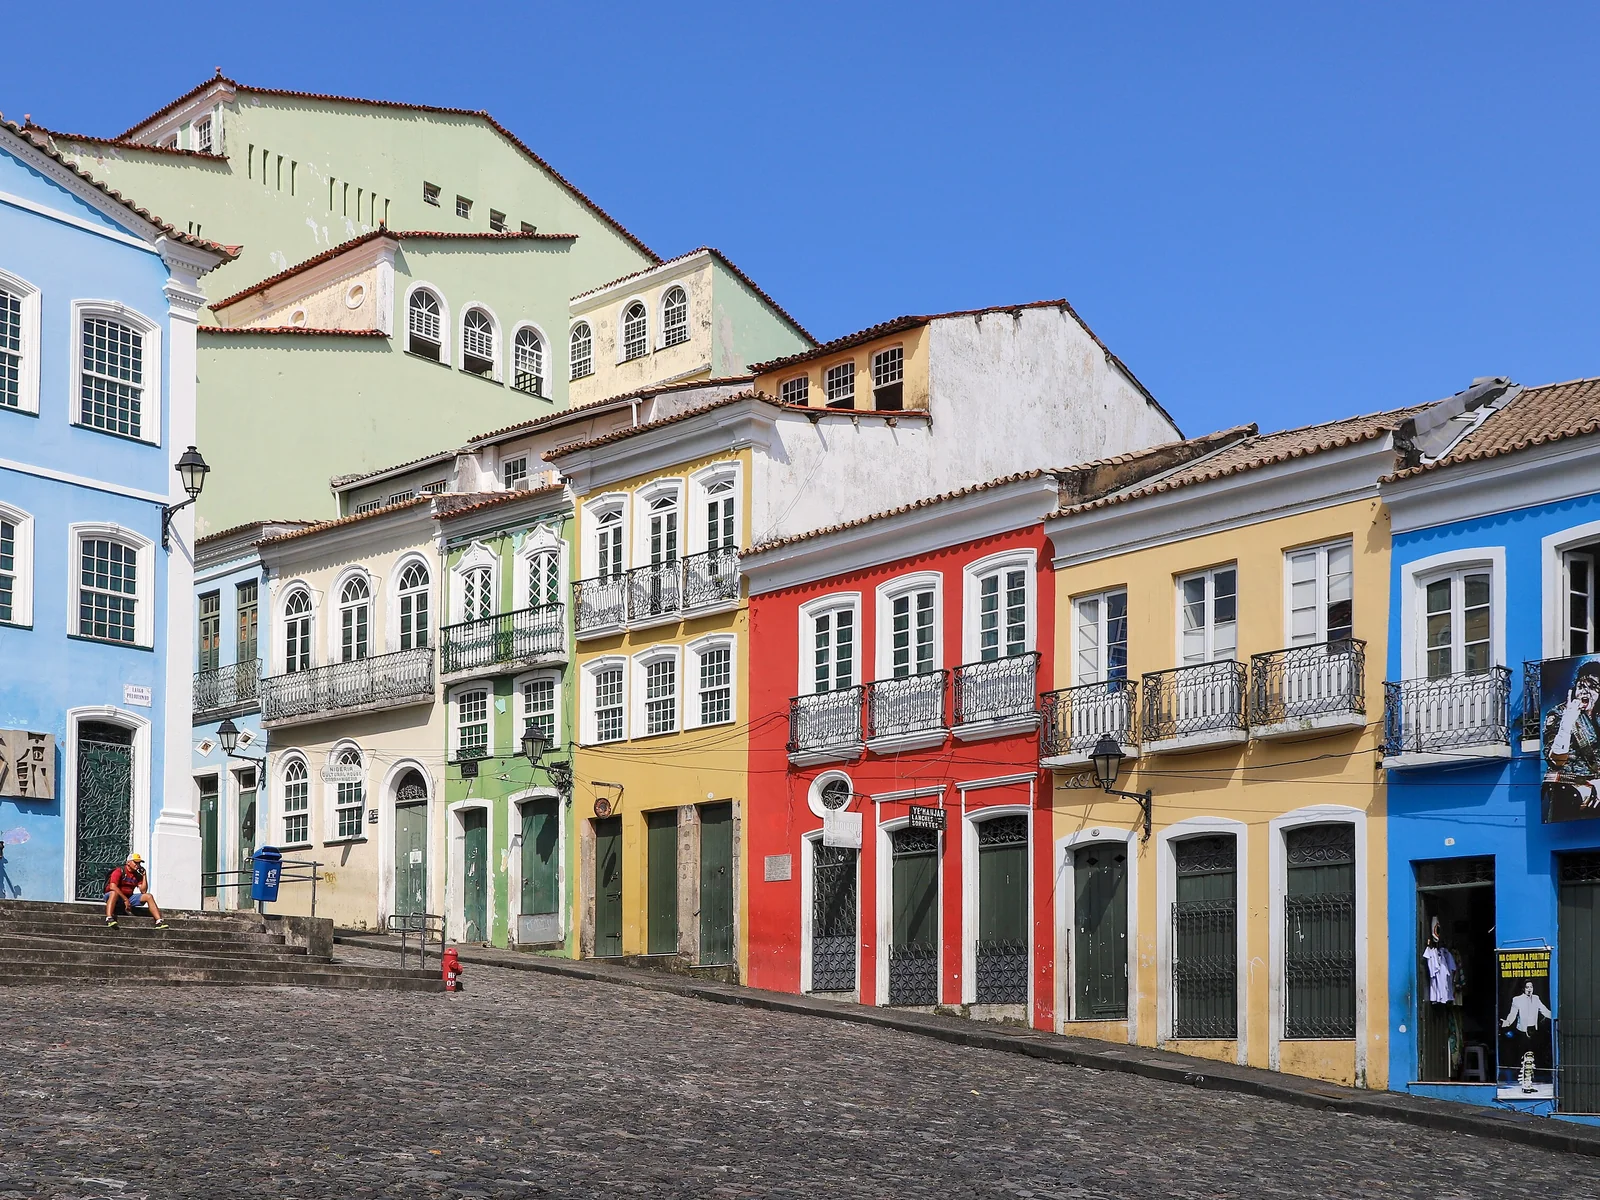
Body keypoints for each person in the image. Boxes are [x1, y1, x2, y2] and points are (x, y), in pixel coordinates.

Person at [1542, 659, 1600, 819]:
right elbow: (1555, 761)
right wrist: (1567, 723)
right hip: (1568, 790)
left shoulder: (1597, 714)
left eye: (1593, 687)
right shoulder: (1559, 714)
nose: (1585, 692)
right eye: (1581, 686)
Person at [104, 853, 169, 929]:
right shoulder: (119, 871)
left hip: (129, 897)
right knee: (114, 893)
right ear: (128, 863)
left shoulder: (137, 875)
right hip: (114, 897)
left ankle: (159, 921)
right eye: (135, 862)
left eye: (139, 863)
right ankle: (109, 918)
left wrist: (144, 875)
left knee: (148, 896)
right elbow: (112, 886)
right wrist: (125, 899)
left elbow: (143, 891)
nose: (138, 865)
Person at [1501, 979, 1553, 1070]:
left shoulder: (1536, 998)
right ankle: (1520, 1071)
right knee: (1522, 1053)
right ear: (1523, 989)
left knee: (1534, 1052)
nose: (1529, 989)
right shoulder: (1517, 1000)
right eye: (1527, 987)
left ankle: (1533, 1072)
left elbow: (1544, 1010)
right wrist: (1508, 1022)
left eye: (1531, 987)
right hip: (1522, 1031)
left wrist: (1555, 1015)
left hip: (1533, 1030)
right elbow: (1513, 1014)